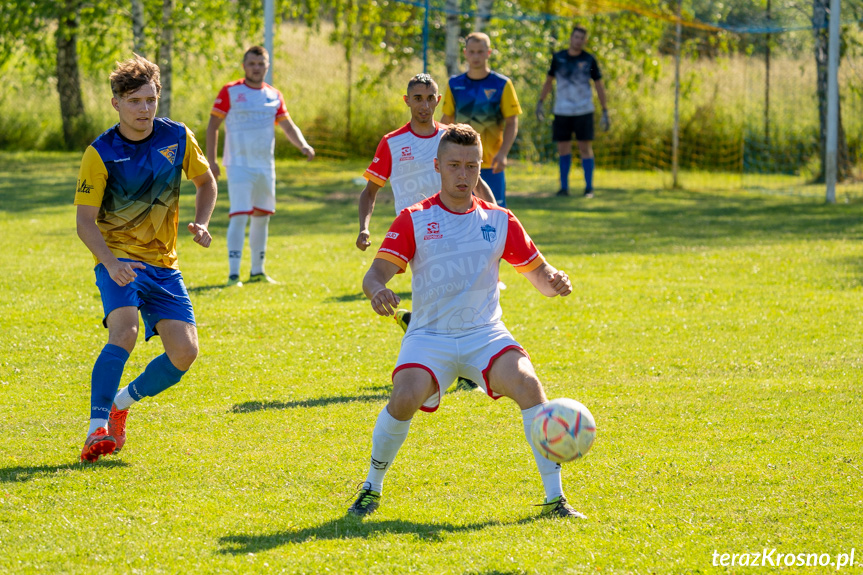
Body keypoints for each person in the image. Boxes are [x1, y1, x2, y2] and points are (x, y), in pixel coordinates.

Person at [348, 124, 584, 519]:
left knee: (529, 385)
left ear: (480, 170)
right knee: (404, 398)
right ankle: (371, 488)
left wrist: (556, 280)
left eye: (472, 167)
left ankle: (555, 500)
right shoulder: (414, 219)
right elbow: (374, 276)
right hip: (429, 336)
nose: (463, 175)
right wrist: (379, 292)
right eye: (454, 165)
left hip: (485, 334)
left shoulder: (500, 219)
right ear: (437, 166)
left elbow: (540, 276)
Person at [74, 54, 217, 462]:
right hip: (118, 260)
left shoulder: (177, 137)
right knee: (125, 332)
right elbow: (85, 222)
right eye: (135, 101)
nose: (145, 109)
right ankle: (95, 427)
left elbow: (206, 183)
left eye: (151, 99)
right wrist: (111, 263)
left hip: (164, 264)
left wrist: (201, 221)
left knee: (185, 353)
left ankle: (122, 402)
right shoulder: (100, 152)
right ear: (116, 102)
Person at [358, 73, 493, 391]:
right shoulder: (393, 142)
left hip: (459, 222)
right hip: (416, 230)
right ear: (407, 101)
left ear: (438, 101)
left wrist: (495, 213)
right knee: (449, 294)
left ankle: (437, 348)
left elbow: (475, 178)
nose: (423, 104)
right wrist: (364, 228)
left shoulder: (451, 138)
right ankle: (451, 362)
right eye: (416, 98)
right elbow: (370, 191)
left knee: (457, 292)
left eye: (429, 97)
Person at [207, 45, 315, 287]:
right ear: (245, 66)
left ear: (267, 66)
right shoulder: (230, 91)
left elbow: (288, 125)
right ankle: (233, 274)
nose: (256, 68)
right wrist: (212, 161)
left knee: (262, 216)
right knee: (239, 215)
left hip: (265, 167)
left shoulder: (274, 95)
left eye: (261, 64)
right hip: (238, 165)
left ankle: (258, 271)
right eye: (252, 64)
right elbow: (213, 126)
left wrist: (303, 145)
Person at [440, 32, 522, 208]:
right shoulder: (455, 84)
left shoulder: (502, 84)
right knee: (459, 211)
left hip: (491, 164)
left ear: (488, 53)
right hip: (459, 165)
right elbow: (446, 121)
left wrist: (503, 153)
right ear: (465, 53)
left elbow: (512, 122)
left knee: (496, 212)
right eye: (472, 51)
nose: (476, 56)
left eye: (480, 51)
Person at [536, 25, 609, 198]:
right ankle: (563, 188)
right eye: (576, 37)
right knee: (563, 148)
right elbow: (548, 81)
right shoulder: (558, 58)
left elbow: (598, 84)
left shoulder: (589, 60)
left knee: (585, 147)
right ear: (571, 38)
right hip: (562, 110)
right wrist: (540, 102)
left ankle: (589, 188)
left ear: (585, 41)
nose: (578, 41)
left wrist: (605, 110)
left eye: (582, 38)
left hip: (584, 110)